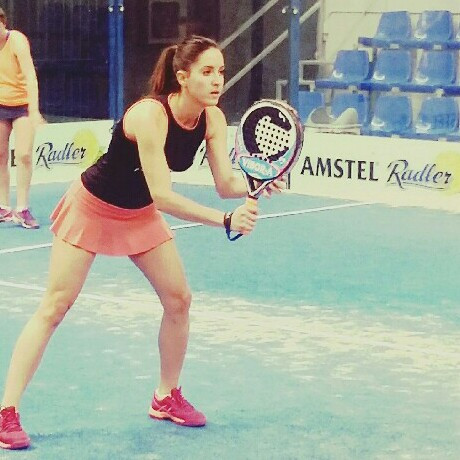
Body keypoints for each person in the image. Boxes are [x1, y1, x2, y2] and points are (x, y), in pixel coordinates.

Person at [0, 35, 284, 450]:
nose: (217, 80)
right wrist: (225, 220)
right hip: (92, 207)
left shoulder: (213, 119)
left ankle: (166, 396)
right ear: (182, 77)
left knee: (179, 299)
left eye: (221, 72)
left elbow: (226, 184)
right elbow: (163, 196)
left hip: (138, 214)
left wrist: (256, 183)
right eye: (206, 72)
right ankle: (6, 411)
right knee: (55, 306)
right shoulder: (150, 114)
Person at [0, 7, 44, 229]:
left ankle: (22, 209)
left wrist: (34, 110)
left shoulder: (17, 40)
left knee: (24, 155)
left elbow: (30, 77)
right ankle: (3, 207)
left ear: (3, 22)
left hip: (23, 106)